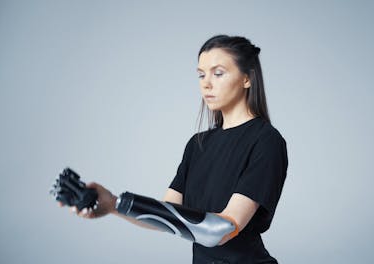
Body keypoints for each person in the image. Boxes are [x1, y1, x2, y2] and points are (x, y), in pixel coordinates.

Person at [60, 35, 288, 263]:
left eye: (218, 73)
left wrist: (119, 203)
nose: (206, 83)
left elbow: (221, 229)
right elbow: (166, 214)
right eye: (201, 74)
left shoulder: (266, 141)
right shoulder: (198, 145)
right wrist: (111, 204)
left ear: (246, 78)